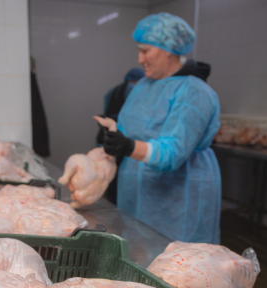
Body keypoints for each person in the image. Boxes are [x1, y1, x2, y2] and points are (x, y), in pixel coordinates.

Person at [95, 12, 222, 244]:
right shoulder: (144, 85)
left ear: (169, 50)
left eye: (145, 51)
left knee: (175, 259)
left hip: (176, 198)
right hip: (136, 194)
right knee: (137, 250)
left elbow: (173, 152)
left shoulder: (194, 92)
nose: (139, 59)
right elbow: (131, 128)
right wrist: (115, 136)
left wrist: (128, 147)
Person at [97, 67, 144, 204]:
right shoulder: (134, 92)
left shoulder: (113, 91)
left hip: (109, 136)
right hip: (121, 139)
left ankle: (112, 201)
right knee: (114, 175)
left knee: (111, 173)